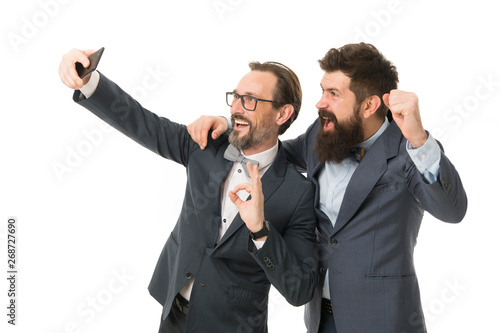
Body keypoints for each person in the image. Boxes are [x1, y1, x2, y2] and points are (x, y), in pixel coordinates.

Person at [187, 42, 468, 333]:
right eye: (322, 91)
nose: (320, 103)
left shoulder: (409, 152)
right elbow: (273, 152)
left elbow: (452, 210)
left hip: (383, 319)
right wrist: (234, 125)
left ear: (370, 105)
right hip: (321, 318)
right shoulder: (321, 132)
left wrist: (420, 140)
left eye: (333, 94)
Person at [58, 49, 320, 333]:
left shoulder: (298, 192)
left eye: (251, 100)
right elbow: (143, 123)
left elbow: (300, 289)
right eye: (236, 97)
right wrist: (88, 81)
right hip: (173, 313)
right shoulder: (206, 145)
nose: (236, 108)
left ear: (283, 113)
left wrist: (260, 230)